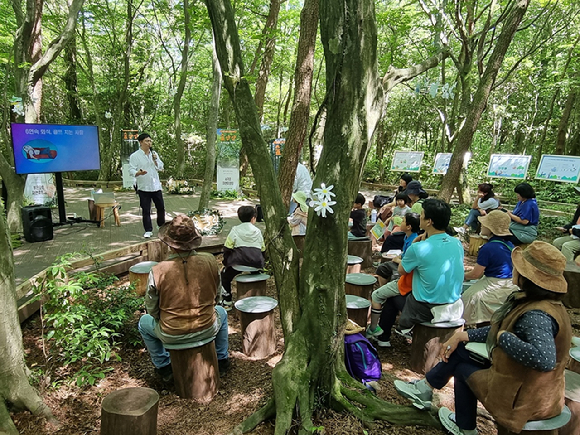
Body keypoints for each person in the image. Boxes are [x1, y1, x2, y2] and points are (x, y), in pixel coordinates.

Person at [394, 241, 571, 435]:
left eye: (518, 268)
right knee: (462, 351)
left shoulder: (536, 316)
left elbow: (544, 359)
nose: (513, 270)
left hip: (523, 395)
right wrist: (463, 335)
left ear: (527, 277)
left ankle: (462, 425)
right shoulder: (540, 303)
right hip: (521, 380)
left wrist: (504, 338)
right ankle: (429, 391)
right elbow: (504, 327)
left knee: (462, 368)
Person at [137, 215, 230, 382]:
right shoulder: (210, 261)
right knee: (222, 312)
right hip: (207, 326)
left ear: (169, 243)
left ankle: (164, 366)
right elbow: (217, 296)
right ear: (194, 240)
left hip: (171, 332)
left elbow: (151, 308)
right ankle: (222, 359)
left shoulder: (158, 270)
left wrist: (164, 319)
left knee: (143, 323)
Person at [395, 198, 464, 332]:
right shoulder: (457, 243)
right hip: (454, 302)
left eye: (421, 215)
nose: (419, 218)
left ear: (429, 221)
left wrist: (414, 246)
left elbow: (401, 270)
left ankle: (404, 328)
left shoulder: (419, 248)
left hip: (426, 306)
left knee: (396, 293)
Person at [367, 212, 420, 346]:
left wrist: (398, 260)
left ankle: (373, 328)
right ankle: (383, 338)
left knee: (376, 295)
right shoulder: (411, 239)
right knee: (389, 294)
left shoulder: (416, 242)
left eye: (403, 221)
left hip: (406, 282)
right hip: (409, 281)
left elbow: (404, 267)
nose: (399, 223)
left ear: (408, 226)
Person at [461, 210, 517, 326]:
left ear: (491, 229)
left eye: (484, 224)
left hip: (495, 283)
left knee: (466, 298)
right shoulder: (509, 245)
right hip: (511, 284)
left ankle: (467, 325)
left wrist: (461, 276)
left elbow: (476, 274)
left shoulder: (488, 248)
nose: (481, 225)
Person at [220, 205, 266, 308]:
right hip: (255, 264)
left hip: (238, 263)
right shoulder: (257, 231)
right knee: (255, 270)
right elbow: (263, 249)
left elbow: (228, 247)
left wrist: (227, 262)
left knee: (224, 276)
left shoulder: (235, 230)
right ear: (253, 218)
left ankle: (227, 301)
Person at [129, 133, 166, 238]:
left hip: (156, 186)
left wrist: (155, 160)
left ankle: (161, 226)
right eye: (147, 141)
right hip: (143, 186)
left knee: (161, 207)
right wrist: (138, 173)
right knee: (146, 209)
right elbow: (131, 169)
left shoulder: (154, 154)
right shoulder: (135, 156)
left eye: (150, 141)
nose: (149, 143)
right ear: (140, 142)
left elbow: (161, 167)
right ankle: (148, 230)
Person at [381, 180, 428, 252]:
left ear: (412, 193)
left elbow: (411, 222)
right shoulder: (424, 202)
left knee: (390, 239)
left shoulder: (417, 205)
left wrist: (394, 219)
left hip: (417, 233)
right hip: (423, 232)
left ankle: (384, 257)